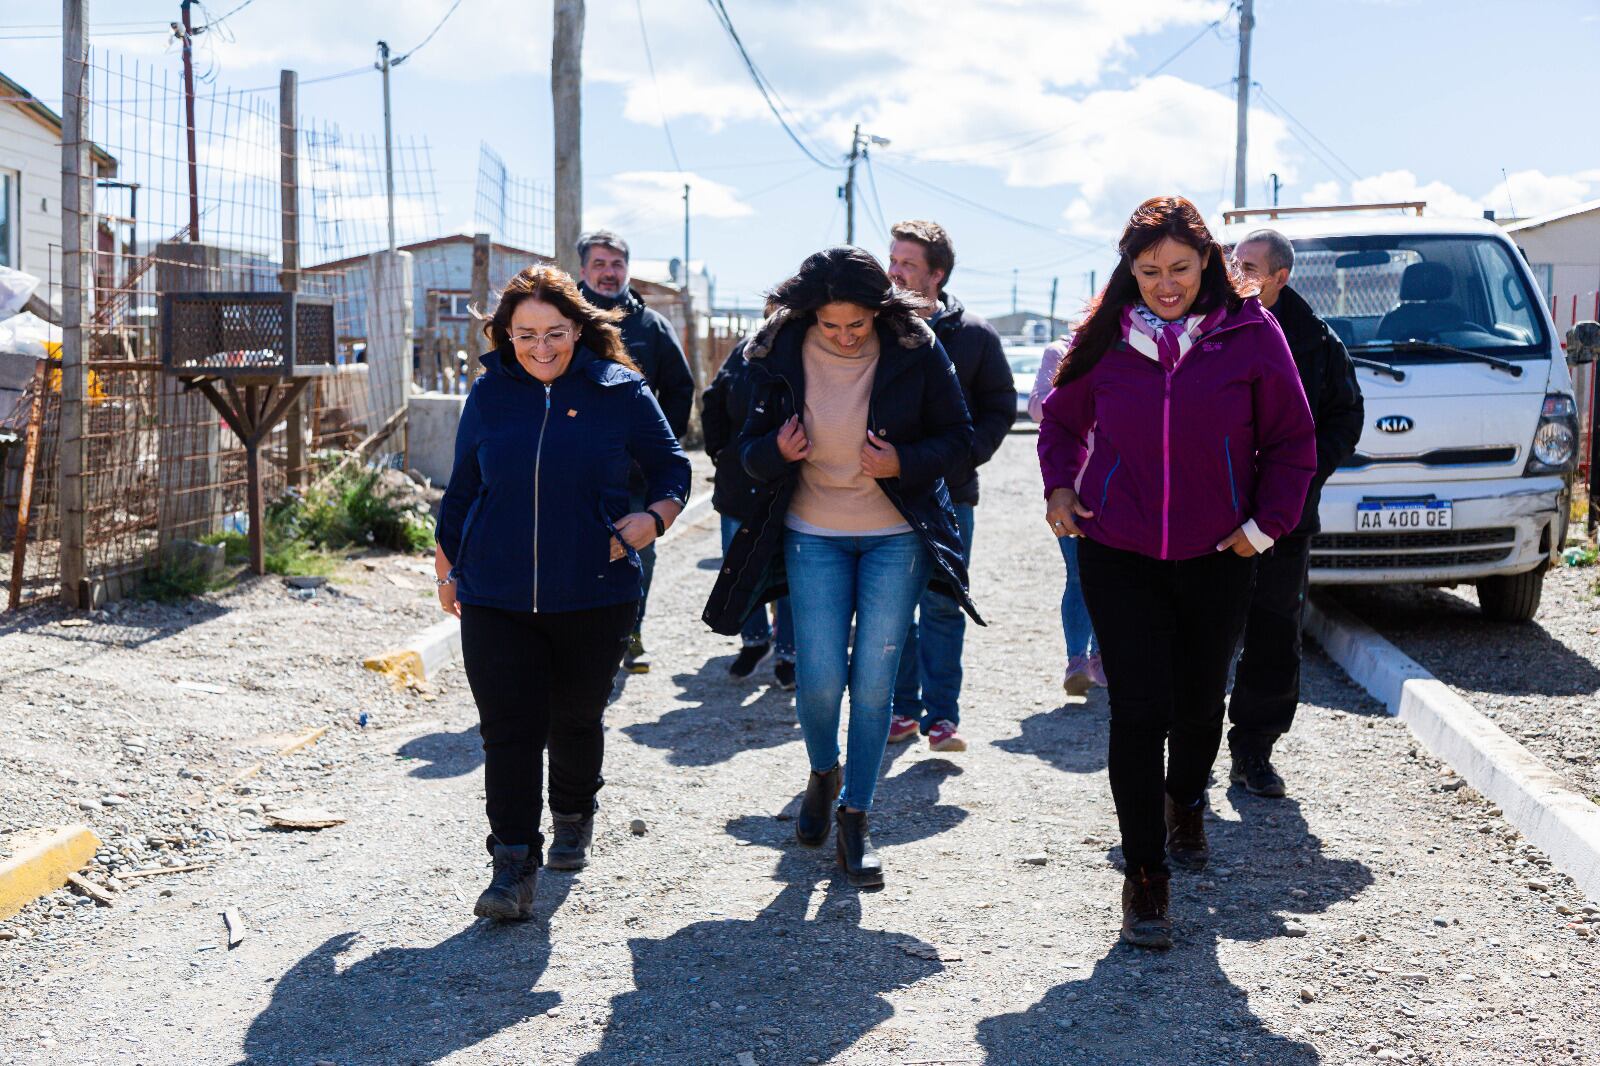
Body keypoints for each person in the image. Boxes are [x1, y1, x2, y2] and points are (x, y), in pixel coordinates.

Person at [1037, 196, 1315, 950]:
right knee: (1137, 710)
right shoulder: (1103, 339)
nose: (1166, 284)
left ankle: (1185, 801)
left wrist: (1263, 528)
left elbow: (1294, 441)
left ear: (1209, 265)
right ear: (1130, 270)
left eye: (1181, 269)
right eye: (1150, 270)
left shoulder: (1252, 335)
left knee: (1198, 705)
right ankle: (1146, 878)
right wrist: (1061, 485)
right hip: (1116, 548)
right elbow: (1060, 422)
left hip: (1219, 554)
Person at [703, 247, 979, 889]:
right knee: (821, 678)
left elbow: (960, 436)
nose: (847, 336)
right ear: (808, 314)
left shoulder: (916, 344)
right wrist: (772, 451)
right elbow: (732, 442)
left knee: (877, 677)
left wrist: (903, 462)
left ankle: (857, 815)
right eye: (833, 325)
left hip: (894, 536)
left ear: (881, 311)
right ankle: (823, 771)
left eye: (859, 324)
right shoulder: (771, 350)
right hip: (810, 533)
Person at [435, 265, 691, 921]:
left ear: (579, 328)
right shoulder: (490, 395)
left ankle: (575, 810)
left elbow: (672, 469)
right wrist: (447, 570)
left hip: (594, 591)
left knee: (575, 718)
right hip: (495, 592)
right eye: (525, 334)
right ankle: (513, 864)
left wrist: (652, 519)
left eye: (554, 332)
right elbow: (461, 491)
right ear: (505, 335)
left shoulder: (621, 390)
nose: (540, 347)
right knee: (509, 730)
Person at [1226, 230, 1364, 798]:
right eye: (1235, 263)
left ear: (1281, 277)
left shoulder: (1318, 344)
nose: (1239, 274)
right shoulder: (1210, 327)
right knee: (1202, 633)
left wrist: (1299, 479)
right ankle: (1188, 752)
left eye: (1252, 266)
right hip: (1211, 516)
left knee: (1274, 635)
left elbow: (1345, 421)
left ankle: (1254, 751)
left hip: (1285, 522)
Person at [884, 220, 1017, 753]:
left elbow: (1000, 406)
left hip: (952, 496)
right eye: (892, 260)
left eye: (908, 264)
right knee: (892, 608)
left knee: (942, 604)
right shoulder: (875, 328)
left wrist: (964, 458)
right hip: (885, 496)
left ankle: (942, 718)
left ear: (936, 274)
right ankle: (899, 711)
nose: (894, 270)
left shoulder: (976, 335)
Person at [577, 229, 696, 674]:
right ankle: (583, 636)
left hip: (637, 477)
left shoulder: (651, 327)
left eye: (617, 264)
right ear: (584, 269)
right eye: (600, 264)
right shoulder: (568, 321)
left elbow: (681, 389)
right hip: (578, 470)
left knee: (637, 552)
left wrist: (661, 448)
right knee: (577, 549)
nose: (609, 273)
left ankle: (630, 633)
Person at [702, 332, 796, 688]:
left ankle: (789, 653)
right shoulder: (745, 351)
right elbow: (714, 398)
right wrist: (720, 453)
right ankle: (754, 641)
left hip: (791, 485)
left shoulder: (807, 352)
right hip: (740, 483)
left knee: (788, 572)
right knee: (739, 564)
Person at [1029, 340, 1102, 696]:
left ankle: (1102, 657)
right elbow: (1036, 408)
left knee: (1116, 577)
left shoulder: (1128, 349)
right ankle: (1078, 660)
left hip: (1119, 485)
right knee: (1079, 575)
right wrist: (1075, 397)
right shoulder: (1059, 352)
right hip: (1070, 488)